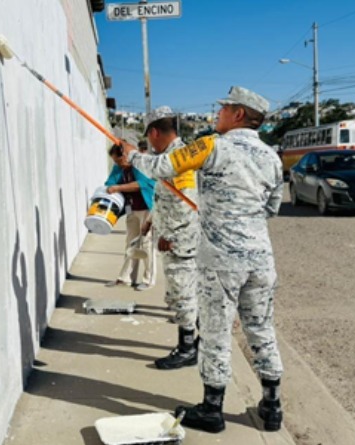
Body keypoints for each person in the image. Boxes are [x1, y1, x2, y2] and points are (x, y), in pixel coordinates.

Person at [120, 86, 284, 433]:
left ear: (239, 114)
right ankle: (272, 405)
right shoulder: (272, 156)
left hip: (222, 260)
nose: (218, 113)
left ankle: (212, 409)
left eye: (224, 108)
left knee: (214, 332)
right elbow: (272, 207)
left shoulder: (212, 145)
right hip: (260, 258)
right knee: (261, 328)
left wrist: (133, 155)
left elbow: (163, 165)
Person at [142, 107, 201, 370]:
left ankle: (188, 348)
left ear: (154, 132)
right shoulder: (171, 156)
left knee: (183, 294)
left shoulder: (179, 157)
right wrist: (152, 220)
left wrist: (170, 235)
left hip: (180, 242)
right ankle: (200, 341)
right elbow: (165, 197)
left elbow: (184, 201)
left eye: (149, 138)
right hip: (176, 237)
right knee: (183, 293)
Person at [104, 145, 157, 290]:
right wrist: (112, 187)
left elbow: (142, 184)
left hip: (147, 208)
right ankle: (126, 278)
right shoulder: (120, 167)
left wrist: (119, 188)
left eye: (119, 161)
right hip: (132, 208)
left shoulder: (140, 164)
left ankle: (148, 280)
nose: (118, 164)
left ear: (125, 155)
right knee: (131, 243)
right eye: (115, 162)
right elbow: (110, 182)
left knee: (147, 243)